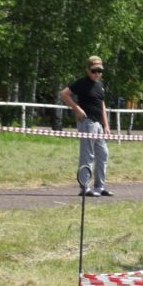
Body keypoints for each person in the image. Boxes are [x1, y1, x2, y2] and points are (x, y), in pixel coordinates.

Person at [60, 55, 113, 197]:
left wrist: (106, 125)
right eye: (94, 70)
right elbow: (64, 94)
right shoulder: (82, 83)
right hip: (87, 123)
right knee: (87, 155)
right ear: (88, 70)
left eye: (100, 71)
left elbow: (102, 104)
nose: (97, 74)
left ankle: (99, 187)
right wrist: (77, 109)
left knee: (103, 154)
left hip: (99, 125)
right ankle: (84, 187)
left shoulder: (100, 85)